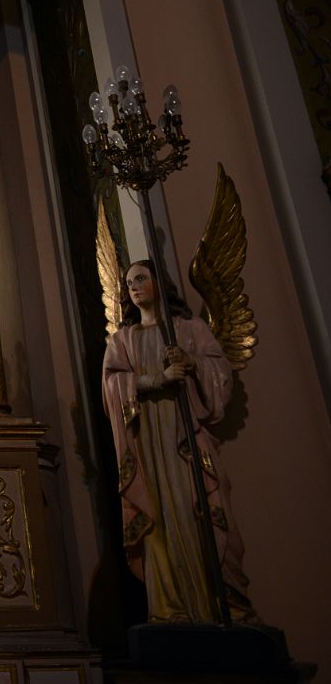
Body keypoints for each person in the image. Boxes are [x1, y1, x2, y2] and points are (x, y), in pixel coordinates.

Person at [101, 259, 253, 623]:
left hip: (184, 436)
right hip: (147, 441)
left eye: (141, 278)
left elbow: (220, 373)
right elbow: (110, 389)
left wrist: (191, 362)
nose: (134, 287)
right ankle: (170, 608)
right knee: (158, 517)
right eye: (129, 283)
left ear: (159, 283)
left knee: (201, 506)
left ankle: (222, 604)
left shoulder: (190, 329)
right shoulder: (123, 340)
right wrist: (158, 378)